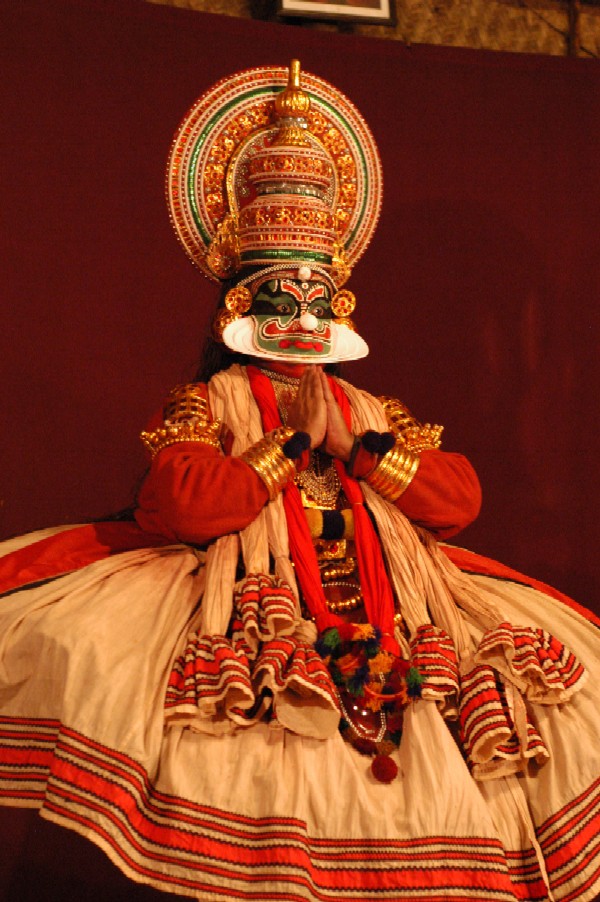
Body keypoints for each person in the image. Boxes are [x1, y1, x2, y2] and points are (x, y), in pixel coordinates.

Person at [0, 60, 599, 902]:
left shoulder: (366, 405)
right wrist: (285, 445)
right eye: (281, 300)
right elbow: (180, 501)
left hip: (400, 615)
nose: (301, 320)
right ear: (238, 308)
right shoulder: (209, 400)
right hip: (256, 613)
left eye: (319, 301)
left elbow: (457, 500)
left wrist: (356, 442)